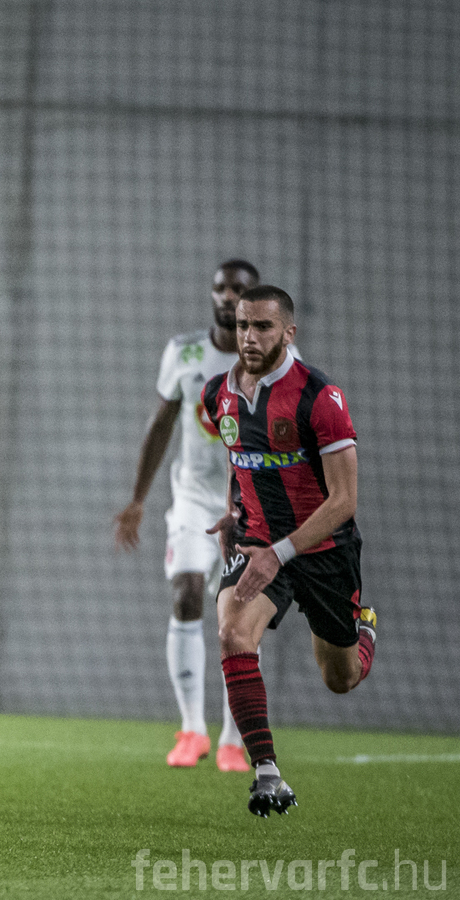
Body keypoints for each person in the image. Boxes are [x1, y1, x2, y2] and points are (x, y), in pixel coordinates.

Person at [202, 285, 375, 816]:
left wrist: (281, 551)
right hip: (257, 542)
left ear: (288, 332)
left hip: (323, 549)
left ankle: (364, 630)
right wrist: (234, 511)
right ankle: (267, 774)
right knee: (232, 632)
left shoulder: (320, 397)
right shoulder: (216, 394)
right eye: (242, 325)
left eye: (263, 327)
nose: (249, 338)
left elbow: (344, 501)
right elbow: (239, 456)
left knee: (340, 679)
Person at [113, 260, 259, 772]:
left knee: (240, 617)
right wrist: (138, 499)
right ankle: (193, 729)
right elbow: (161, 425)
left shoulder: (275, 360)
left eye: (238, 289)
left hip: (252, 505)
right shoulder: (185, 352)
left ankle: (233, 740)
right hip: (194, 501)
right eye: (220, 288)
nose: (227, 296)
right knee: (187, 592)